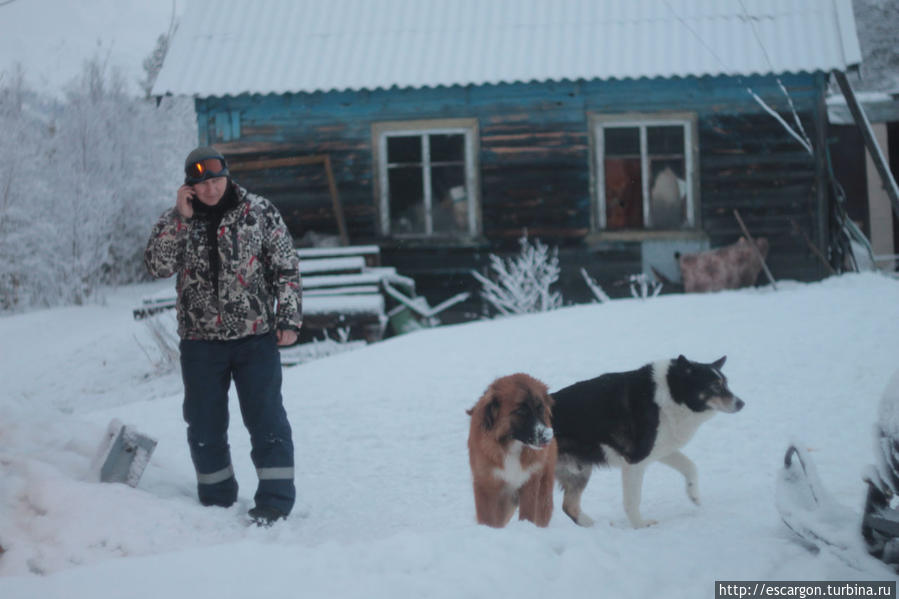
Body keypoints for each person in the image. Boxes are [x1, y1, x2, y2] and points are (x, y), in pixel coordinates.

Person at [145, 146, 302, 526]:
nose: (211, 190)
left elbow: (286, 267)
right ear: (189, 188)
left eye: (216, 180)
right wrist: (180, 220)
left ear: (227, 176)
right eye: (201, 184)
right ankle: (217, 499)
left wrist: (290, 319)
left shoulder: (259, 211)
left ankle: (275, 501)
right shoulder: (178, 219)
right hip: (200, 342)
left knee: (266, 419)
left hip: (255, 338)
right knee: (204, 423)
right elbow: (157, 266)